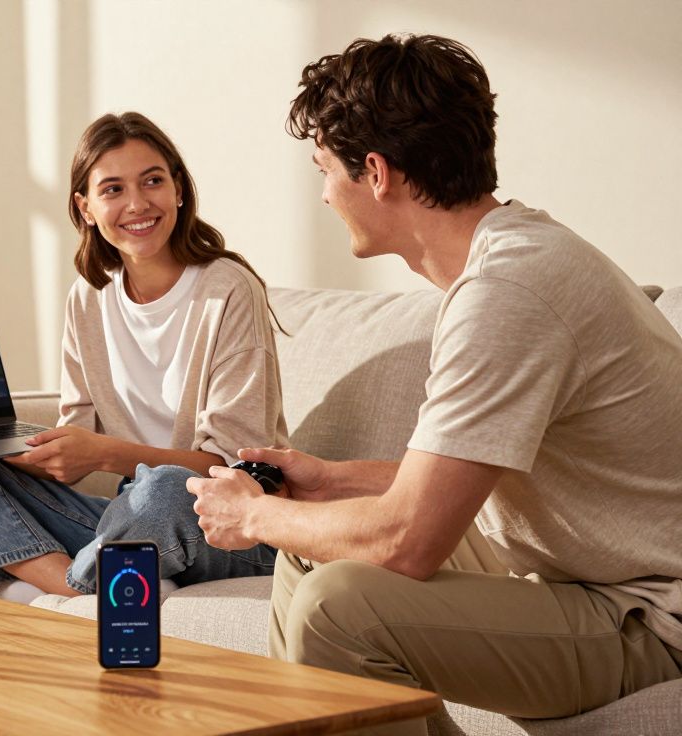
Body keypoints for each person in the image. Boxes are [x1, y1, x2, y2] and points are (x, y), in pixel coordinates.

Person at [186, 34, 682, 731]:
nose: (325, 195)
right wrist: (330, 482)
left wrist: (254, 516)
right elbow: (455, 479)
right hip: (585, 568)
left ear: (378, 173)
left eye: (326, 170)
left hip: (651, 612)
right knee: (314, 544)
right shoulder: (509, 259)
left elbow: (410, 539)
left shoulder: (508, 292)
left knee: (340, 607)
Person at [0, 112, 289, 600]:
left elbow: (230, 466)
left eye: (153, 181)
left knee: (165, 488)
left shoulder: (228, 291)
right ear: (85, 208)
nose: (137, 203)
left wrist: (106, 451)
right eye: (112, 190)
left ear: (178, 191)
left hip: (229, 523)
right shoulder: (88, 298)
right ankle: (94, 577)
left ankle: (72, 586)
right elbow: (70, 461)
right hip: (132, 519)